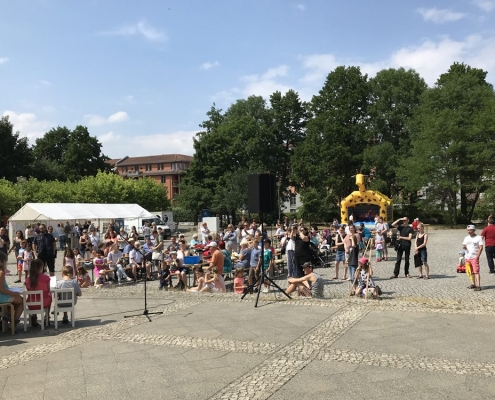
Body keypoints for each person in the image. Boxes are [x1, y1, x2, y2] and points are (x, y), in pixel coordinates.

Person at [25, 258, 52, 327]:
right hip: (44, 303)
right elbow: (48, 290)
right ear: (40, 268)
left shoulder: (28, 280)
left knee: (34, 297)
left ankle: (34, 316)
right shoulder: (46, 278)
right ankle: (47, 316)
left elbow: (29, 291)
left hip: (31, 304)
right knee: (49, 295)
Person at [0, 251, 24, 327]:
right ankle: (14, 321)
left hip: (2, 295)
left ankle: (9, 314)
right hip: (2, 296)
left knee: (15, 301)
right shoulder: (1, 273)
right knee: (22, 301)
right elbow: (2, 289)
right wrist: (14, 293)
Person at [463, 225, 483, 291]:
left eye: (470, 230)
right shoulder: (466, 238)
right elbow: (464, 245)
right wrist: (464, 247)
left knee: (476, 271)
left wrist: (478, 256)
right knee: (470, 271)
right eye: (468, 230)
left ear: (474, 230)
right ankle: (473, 284)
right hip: (467, 257)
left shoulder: (478, 238)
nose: (469, 231)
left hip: (474, 257)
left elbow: (481, 247)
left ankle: (478, 285)